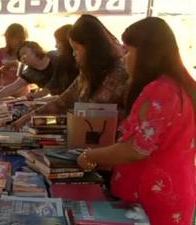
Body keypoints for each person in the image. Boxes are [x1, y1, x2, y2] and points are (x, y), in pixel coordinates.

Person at [76, 17, 196, 225]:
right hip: (173, 191)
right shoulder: (183, 86)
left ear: (148, 54)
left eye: (129, 51)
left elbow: (136, 149)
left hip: (152, 199)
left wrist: (90, 155)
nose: (124, 58)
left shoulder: (159, 91)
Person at [12, 15, 128, 129]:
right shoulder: (87, 72)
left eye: (76, 49)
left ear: (91, 47)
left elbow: (94, 107)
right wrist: (29, 117)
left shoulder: (118, 71)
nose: (74, 54)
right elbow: (64, 100)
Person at [0, 23, 28, 92]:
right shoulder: (1, 51)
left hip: (21, 90)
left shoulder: (26, 52)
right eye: (15, 38)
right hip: (4, 88)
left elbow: (30, 73)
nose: (18, 41)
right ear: (8, 38)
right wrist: (3, 68)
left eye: (20, 38)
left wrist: (18, 65)